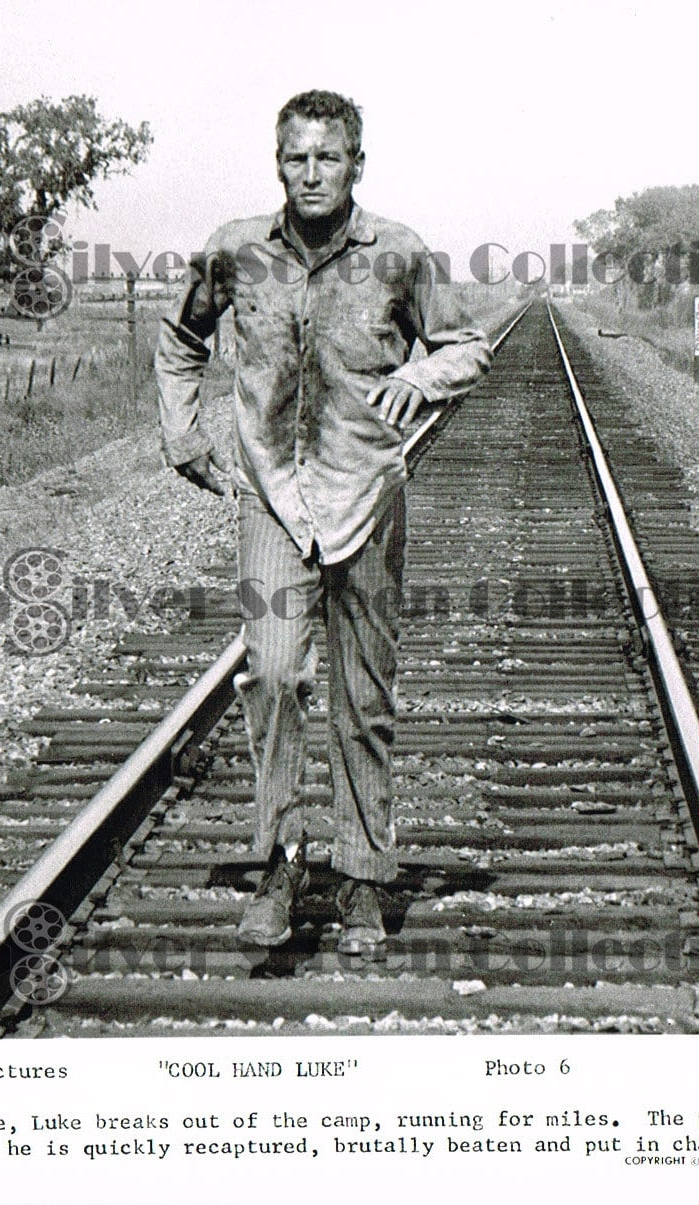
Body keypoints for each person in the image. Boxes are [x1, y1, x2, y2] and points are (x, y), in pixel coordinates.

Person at [154, 90, 491, 955]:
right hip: (271, 497)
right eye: (296, 158)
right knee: (271, 675)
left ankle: (363, 880)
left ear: (356, 165)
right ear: (278, 164)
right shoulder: (235, 251)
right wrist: (182, 433)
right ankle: (279, 863)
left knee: (363, 695)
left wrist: (421, 376)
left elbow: (467, 346)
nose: (311, 174)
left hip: (366, 495)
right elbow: (181, 338)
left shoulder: (399, 254)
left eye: (328, 157)